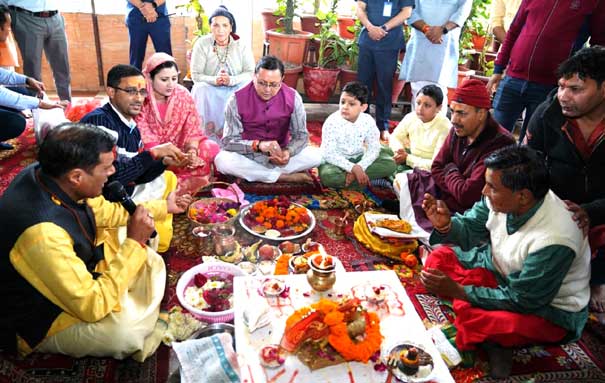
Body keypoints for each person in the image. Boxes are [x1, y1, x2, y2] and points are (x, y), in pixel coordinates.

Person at [0, 123, 191, 359]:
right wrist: (134, 244)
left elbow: (107, 214)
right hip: (44, 313)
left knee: (140, 236)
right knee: (125, 334)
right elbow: (92, 306)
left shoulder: (54, 174)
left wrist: (164, 207)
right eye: (107, 168)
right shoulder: (43, 235)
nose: (113, 173)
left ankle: (127, 293)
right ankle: (133, 303)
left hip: (76, 265)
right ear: (77, 177)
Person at [420, 145, 591, 378]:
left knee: (483, 321)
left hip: (547, 309)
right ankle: (480, 318)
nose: (484, 191)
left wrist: (459, 291)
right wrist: (446, 225)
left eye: (491, 187)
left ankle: (495, 338)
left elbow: (523, 299)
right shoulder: (502, 197)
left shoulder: (555, 238)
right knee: (438, 259)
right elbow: (471, 226)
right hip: (497, 269)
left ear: (522, 196)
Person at [526, 46, 605, 318]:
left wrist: (592, 211)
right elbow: (528, 163)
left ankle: (598, 279)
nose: (564, 96)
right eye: (561, 86)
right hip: (554, 202)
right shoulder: (548, 114)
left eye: (576, 89)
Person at [81, 64, 190, 252]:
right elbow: (110, 181)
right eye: (131, 91)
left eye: (142, 92)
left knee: (169, 177)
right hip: (102, 200)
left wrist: (163, 162)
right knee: (160, 234)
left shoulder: (131, 125)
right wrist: (153, 153)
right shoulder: (100, 123)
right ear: (111, 91)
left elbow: (136, 174)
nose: (138, 98)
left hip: (123, 187)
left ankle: (159, 215)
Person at [394, 79, 514, 230]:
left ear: (481, 114)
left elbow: (468, 195)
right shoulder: (459, 129)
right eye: (452, 111)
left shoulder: (500, 143)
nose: (454, 119)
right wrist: (456, 181)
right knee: (404, 180)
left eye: (461, 113)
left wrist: (450, 169)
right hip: (447, 193)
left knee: (438, 234)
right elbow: (437, 166)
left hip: (471, 209)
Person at [486, 0, 605, 143]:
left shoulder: (595, 2)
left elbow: (598, 46)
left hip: (551, 87)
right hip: (513, 79)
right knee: (492, 140)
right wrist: (498, 69)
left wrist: (579, 83)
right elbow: (513, 31)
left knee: (532, 146)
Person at [214, 55, 321, 183]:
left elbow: (301, 135)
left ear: (282, 80)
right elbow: (228, 141)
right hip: (248, 156)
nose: (267, 90)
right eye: (262, 83)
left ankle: (258, 175)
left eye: (274, 85)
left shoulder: (293, 97)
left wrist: (288, 152)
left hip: (280, 156)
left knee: (317, 156)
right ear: (254, 77)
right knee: (222, 161)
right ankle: (283, 177)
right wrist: (258, 145)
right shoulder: (236, 100)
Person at [135, 52, 220, 190]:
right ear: (149, 78)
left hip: (181, 149)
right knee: (140, 161)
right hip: (153, 151)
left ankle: (174, 184)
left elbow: (192, 128)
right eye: (164, 79)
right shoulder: (141, 98)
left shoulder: (183, 95)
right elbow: (143, 133)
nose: (171, 84)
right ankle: (177, 184)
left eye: (174, 78)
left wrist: (191, 152)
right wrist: (166, 155)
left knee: (211, 147)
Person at [190, 5, 255, 142]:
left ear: (231, 27)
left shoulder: (241, 45)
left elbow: (250, 72)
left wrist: (231, 80)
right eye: (216, 25)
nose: (220, 30)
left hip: (235, 86)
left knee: (247, 85)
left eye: (225, 25)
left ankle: (238, 133)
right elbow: (196, 75)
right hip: (211, 87)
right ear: (210, 27)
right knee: (199, 88)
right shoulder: (202, 44)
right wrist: (215, 80)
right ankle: (205, 136)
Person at [319, 81, 396, 189]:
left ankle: (352, 180)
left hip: (359, 157)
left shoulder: (367, 121)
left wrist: (360, 167)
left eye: (351, 104)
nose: (345, 107)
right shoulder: (332, 122)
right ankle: (369, 181)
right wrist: (352, 168)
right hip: (336, 161)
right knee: (328, 177)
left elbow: (373, 148)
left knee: (390, 164)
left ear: (363, 107)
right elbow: (328, 153)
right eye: (342, 102)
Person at [398, 0, 472, 113]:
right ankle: (417, 129)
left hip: (446, 42)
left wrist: (443, 29)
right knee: (418, 90)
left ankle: (438, 129)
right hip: (420, 41)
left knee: (440, 91)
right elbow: (409, 9)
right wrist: (426, 29)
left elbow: (463, 11)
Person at [356, 0, 414, 141]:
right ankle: (361, 125)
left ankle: (383, 126)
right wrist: (370, 28)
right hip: (368, 41)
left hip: (390, 43)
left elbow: (407, 12)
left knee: (385, 86)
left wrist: (383, 28)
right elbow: (359, 8)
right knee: (363, 85)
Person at [7, 0, 71, 101]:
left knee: (63, 66)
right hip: (26, 17)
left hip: (55, 16)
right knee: (33, 70)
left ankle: (67, 105)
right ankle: (37, 108)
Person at [389, 85, 450, 173]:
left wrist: (408, 159)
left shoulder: (445, 127)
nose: (420, 109)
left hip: (428, 169)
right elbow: (395, 137)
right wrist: (398, 150)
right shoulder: (411, 117)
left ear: (438, 108)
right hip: (409, 157)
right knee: (380, 152)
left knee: (403, 176)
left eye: (427, 105)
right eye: (418, 103)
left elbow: (436, 164)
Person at [126, 0, 172, 70]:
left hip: (159, 16)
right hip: (135, 17)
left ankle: (169, 79)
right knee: (136, 58)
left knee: (165, 57)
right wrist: (143, 7)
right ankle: (135, 80)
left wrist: (153, 5)